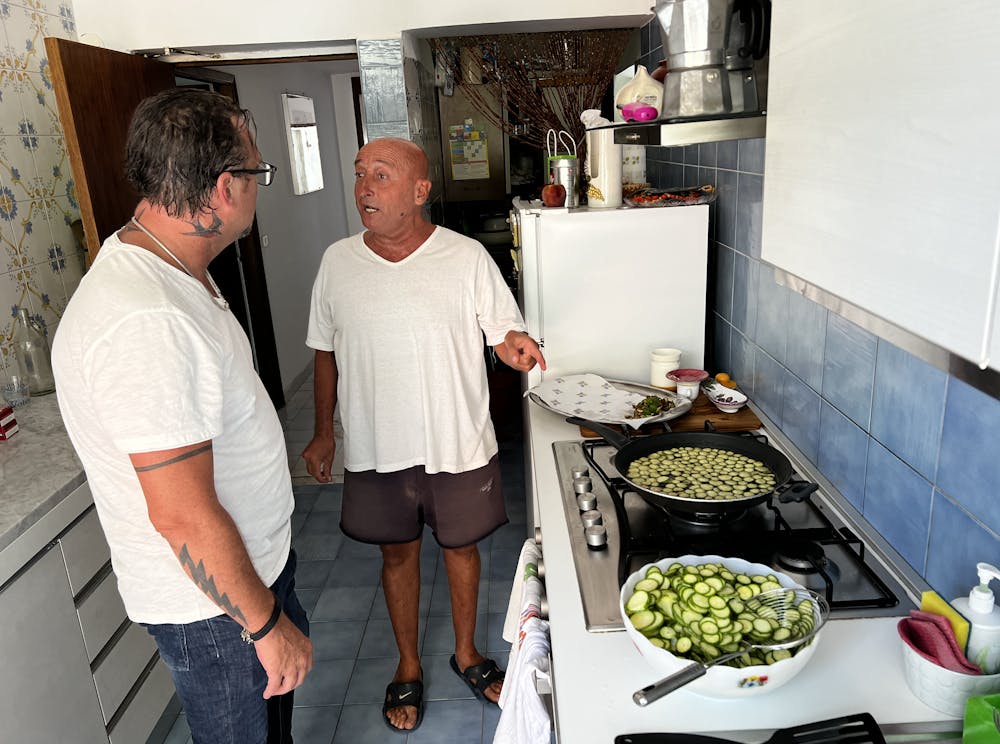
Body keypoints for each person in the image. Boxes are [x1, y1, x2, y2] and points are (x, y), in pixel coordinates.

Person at [51, 88, 312, 744]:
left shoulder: (172, 270)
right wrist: (264, 624)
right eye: (258, 173)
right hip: (218, 618)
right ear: (226, 188)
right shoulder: (147, 318)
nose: (259, 187)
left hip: (247, 582)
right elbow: (180, 514)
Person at [303, 137, 545, 733]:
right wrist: (322, 433)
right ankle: (407, 663)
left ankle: (467, 654)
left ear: (419, 191)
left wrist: (516, 349)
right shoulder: (338, 262)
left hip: (455, 438)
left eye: (380, 176)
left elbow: (503, 332)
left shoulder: (465, 259)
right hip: (377, 443)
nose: (364, 188)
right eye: (360, 174)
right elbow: (325, 354)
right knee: (396, 553)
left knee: (462, 549)